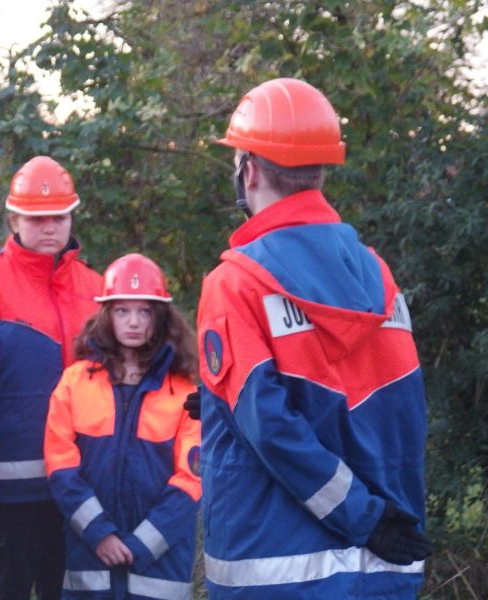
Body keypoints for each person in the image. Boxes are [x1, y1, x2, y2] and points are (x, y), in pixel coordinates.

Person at [196, 77, 432, 599]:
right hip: (383, 563)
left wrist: (362, 517)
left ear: (249, 171)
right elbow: (398, 413)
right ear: (321, 172)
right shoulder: (379, 276)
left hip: (273, 567)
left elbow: (273, 429)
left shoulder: (233, 284)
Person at [0, 156, 104, 600]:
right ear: (13, 218)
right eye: (36, 218)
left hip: (81, 492)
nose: (49, 228)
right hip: (7, 502)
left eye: (59, 217)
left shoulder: (97, 289)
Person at [45, 253, 202, 599]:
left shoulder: (184, 390)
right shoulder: (75, 382)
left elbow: (192, 478)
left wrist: (143, 544)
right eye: (122, 311)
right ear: (106, 315)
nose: (134, 322)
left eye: (144, 311)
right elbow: (60, 466)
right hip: (90, 556)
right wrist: (99, 533)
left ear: (159, 317)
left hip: (160, 563)